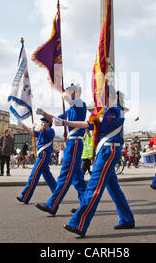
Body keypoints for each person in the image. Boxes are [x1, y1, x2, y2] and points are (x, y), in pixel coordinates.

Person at [57, 86, 135, 237]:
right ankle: (127, 218)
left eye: (101, 95)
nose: (98, 98)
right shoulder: (101, 111)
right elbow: (87, 124)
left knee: (94, 186)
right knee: (113, 188)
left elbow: (103, 119)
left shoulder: (116, 111)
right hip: (104, 151)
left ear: (110, 97)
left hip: (108, 150)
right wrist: (65, 122)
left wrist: (101, 111)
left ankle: (79, 223)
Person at [34, 84, 88, 216]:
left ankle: (52, 205)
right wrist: (44, 113)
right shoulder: (70, 109)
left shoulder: (80, 104)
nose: (67, 94)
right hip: (71, 142)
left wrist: (63, 91)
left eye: (71, 92)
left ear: (75, 93)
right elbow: (55, 119)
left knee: (65, 174)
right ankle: (86, 205)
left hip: (75, 142)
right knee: (77, 178)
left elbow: (67, 98)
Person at [17, 117, 57, 204]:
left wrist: (35, 125)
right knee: (48, 177)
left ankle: (25, 196)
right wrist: (23, 125)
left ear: (49, 123)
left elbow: (40, 129)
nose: (42, 123)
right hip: (42, 154)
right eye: (41, 122)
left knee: (34, 175)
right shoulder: (42, 131)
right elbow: (32, 132)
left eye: (43, 122)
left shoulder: (50, 130)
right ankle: (57, 193)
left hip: (44, 154)